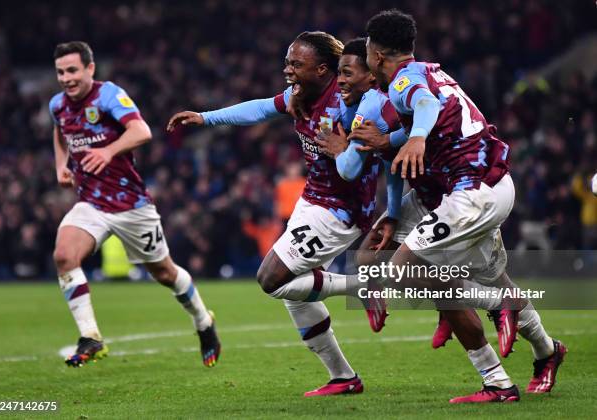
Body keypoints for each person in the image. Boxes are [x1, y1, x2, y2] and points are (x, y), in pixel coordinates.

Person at [359, 10, 567, 402]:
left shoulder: (404, 81)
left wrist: (416, 138)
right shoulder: (429, 71)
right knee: (485, 278)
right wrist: (396, 142)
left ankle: (489, 319)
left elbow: (423, 106)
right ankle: (546, 352)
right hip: (485, 188)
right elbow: (430, 112)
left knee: (402, 270)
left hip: (472, 194)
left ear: (377, 54)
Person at [168, 31, 387, 397]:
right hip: (312, 200)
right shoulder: (301, 95)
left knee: (271, 278)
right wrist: (205, 118)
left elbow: (368, 153)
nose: (287, 69)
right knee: (292, 292)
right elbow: (258, 108)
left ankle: (363, 288)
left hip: (341, 211)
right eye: (287, 62)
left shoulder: (351, 101)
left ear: (322, 69)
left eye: (295, 64)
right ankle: (343, 377)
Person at [49, 41, 220, 368]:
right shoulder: (57, 105)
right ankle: (91, 337)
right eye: (60, 72)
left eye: (72, 70)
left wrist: (108, 151)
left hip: (131, 206)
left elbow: (141, 131)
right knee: (64, 255)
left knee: (165, 273)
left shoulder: (108, 94)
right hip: (91, 203)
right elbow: (60, 134)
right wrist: (61, 165)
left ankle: (203, 321)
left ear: (90, 69)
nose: (66, 78)